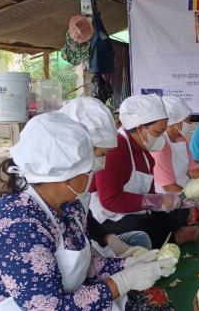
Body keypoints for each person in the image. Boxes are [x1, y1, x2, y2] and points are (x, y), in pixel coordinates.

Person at [0, 112, 194, 311]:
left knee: (156, 304)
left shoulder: (68, 206)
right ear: (63, 177)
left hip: (67, 303)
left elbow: (81, 262)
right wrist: (120, 283)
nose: (94, 173)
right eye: (88, 169)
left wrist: (129, 263)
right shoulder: (17, 227)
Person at [90, 94, 199, 248]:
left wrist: (168, 202)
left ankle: (171, 237)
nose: (161, 137)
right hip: (109, 216)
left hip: (135, 210)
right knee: (143, 225)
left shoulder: (145, 151)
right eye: (158, 132)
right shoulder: (115, 149)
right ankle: (173, 238)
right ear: (141, 128)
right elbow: (110, 200)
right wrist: (154, 201)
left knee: (177, 214)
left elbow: (149, 192)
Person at [59, 97, 153, 257]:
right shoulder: (24, 220)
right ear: (79, 150)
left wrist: (109, 239)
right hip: (76, 271)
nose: (102, 164)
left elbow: (82, 216)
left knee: (141, 239)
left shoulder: (75, 186)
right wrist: (120, 281)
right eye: (102, 154)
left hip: (88, 254)